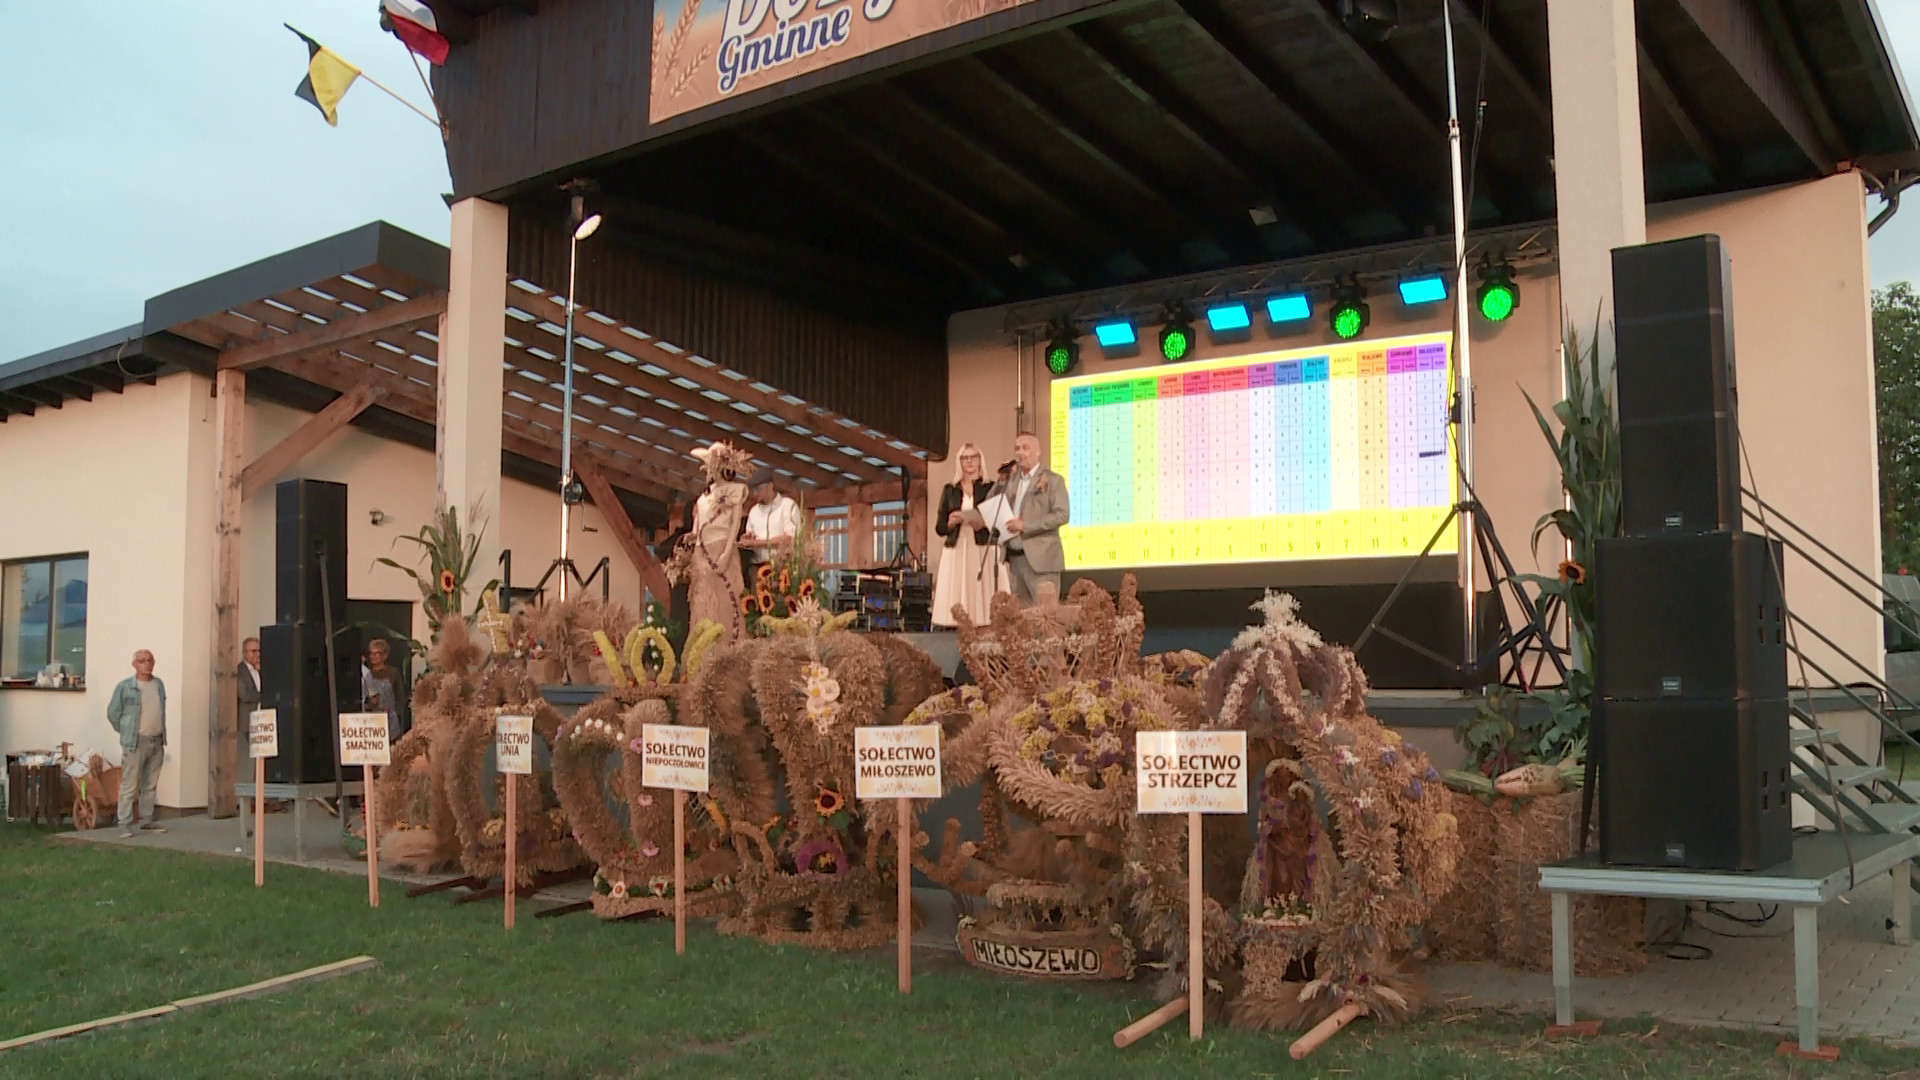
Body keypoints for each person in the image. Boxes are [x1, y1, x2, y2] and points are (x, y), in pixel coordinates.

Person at [992, 431, 1071, 605]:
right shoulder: (1011, 481)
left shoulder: (1053, 480)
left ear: (1038, 452)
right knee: (1024, 622)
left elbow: (1062, 515)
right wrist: (1000, 480)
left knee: (1046, 617)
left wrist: (1025, 526)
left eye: (1025, 448)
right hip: (1015, 560)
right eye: (1017, 448)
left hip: (1041, 561)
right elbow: (992, 503)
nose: (1020, 452)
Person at [931, 443, 1003, 627]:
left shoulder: (990, 487)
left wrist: (979, 522)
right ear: (959, 462)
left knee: (981, 595)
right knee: (959, 593)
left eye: (974, 457)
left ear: (980, 461)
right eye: (965, 458)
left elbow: (998, 524)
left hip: (981, 548)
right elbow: (939, 527)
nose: (970, 461)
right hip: (957, 548)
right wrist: (950, 523)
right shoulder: (950, 489)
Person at [107, 649, 167, 837]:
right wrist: (126, 731)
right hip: (135, 742)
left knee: (150, 784)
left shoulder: (158, 685)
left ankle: (146, 820)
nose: (146, 664)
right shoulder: (125, 687)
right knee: (130, 784)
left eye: (149, 660)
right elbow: (113, 713)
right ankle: (124, 823)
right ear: (134, 664)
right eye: (141, 661)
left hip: (156, 740)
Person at [740, 468, 801, 575]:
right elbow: (752, 542)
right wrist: (748, 540)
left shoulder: (787, 506)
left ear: (770, 486)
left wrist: (757, 543)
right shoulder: (753, 512)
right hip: (758, 568)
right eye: (752, 489)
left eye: (758, 489)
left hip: (783, 569)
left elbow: (789, 539)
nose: (754, 493)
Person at [363, 637, 402, 742]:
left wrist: (395, 714)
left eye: (376, 653)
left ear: (385, 655)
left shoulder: (393, 673)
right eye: (371, 653)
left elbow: (400, 697)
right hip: (373, 724)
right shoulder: (367, 675)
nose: (373, 656)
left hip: (391, 723)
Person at [238, 636, 263, 718]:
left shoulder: (261, 670)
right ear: (244, 653)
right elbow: (244, 695)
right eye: (253, 651)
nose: (258, 654)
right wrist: (265, 696)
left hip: (263, 721)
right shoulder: (239, 671)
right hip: (247, 721)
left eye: (259, 651)